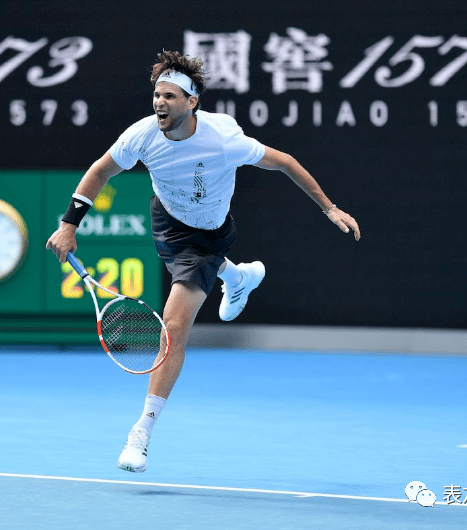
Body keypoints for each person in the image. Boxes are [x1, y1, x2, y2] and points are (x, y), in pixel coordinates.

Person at [46, 50, 360, 473]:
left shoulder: (223, 140)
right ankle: (239, 276)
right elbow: (100, 171)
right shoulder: (141, 135)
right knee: (196, 279)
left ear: (192, 101)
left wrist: (329, 208)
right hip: (166, 221)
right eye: (156, 95)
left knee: (173, 326)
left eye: (170, 96)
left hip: (210, 233)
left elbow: (284, 163)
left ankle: (142, 431)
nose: (159, 102)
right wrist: (69, 225)